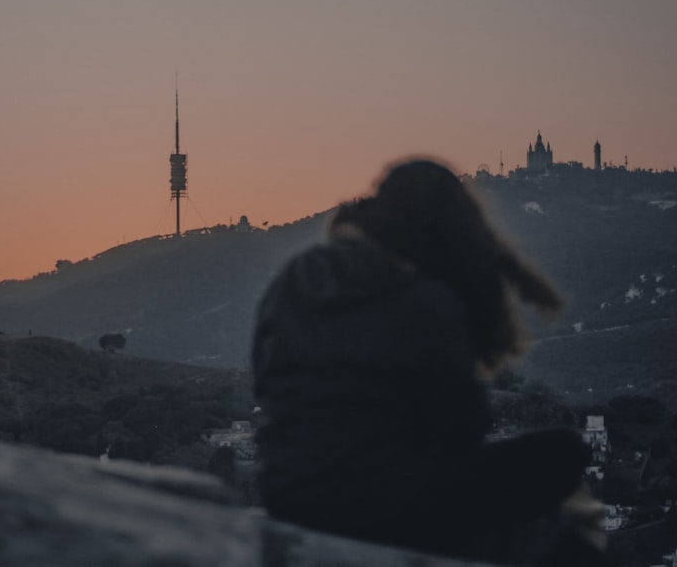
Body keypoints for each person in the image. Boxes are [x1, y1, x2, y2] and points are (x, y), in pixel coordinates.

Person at [251, 159, 606, 565]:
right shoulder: (424, 298)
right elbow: (462, 429)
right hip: (384, 509)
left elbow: (265, 386)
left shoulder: (292, 277)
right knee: (564, 453)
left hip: (287, 496)